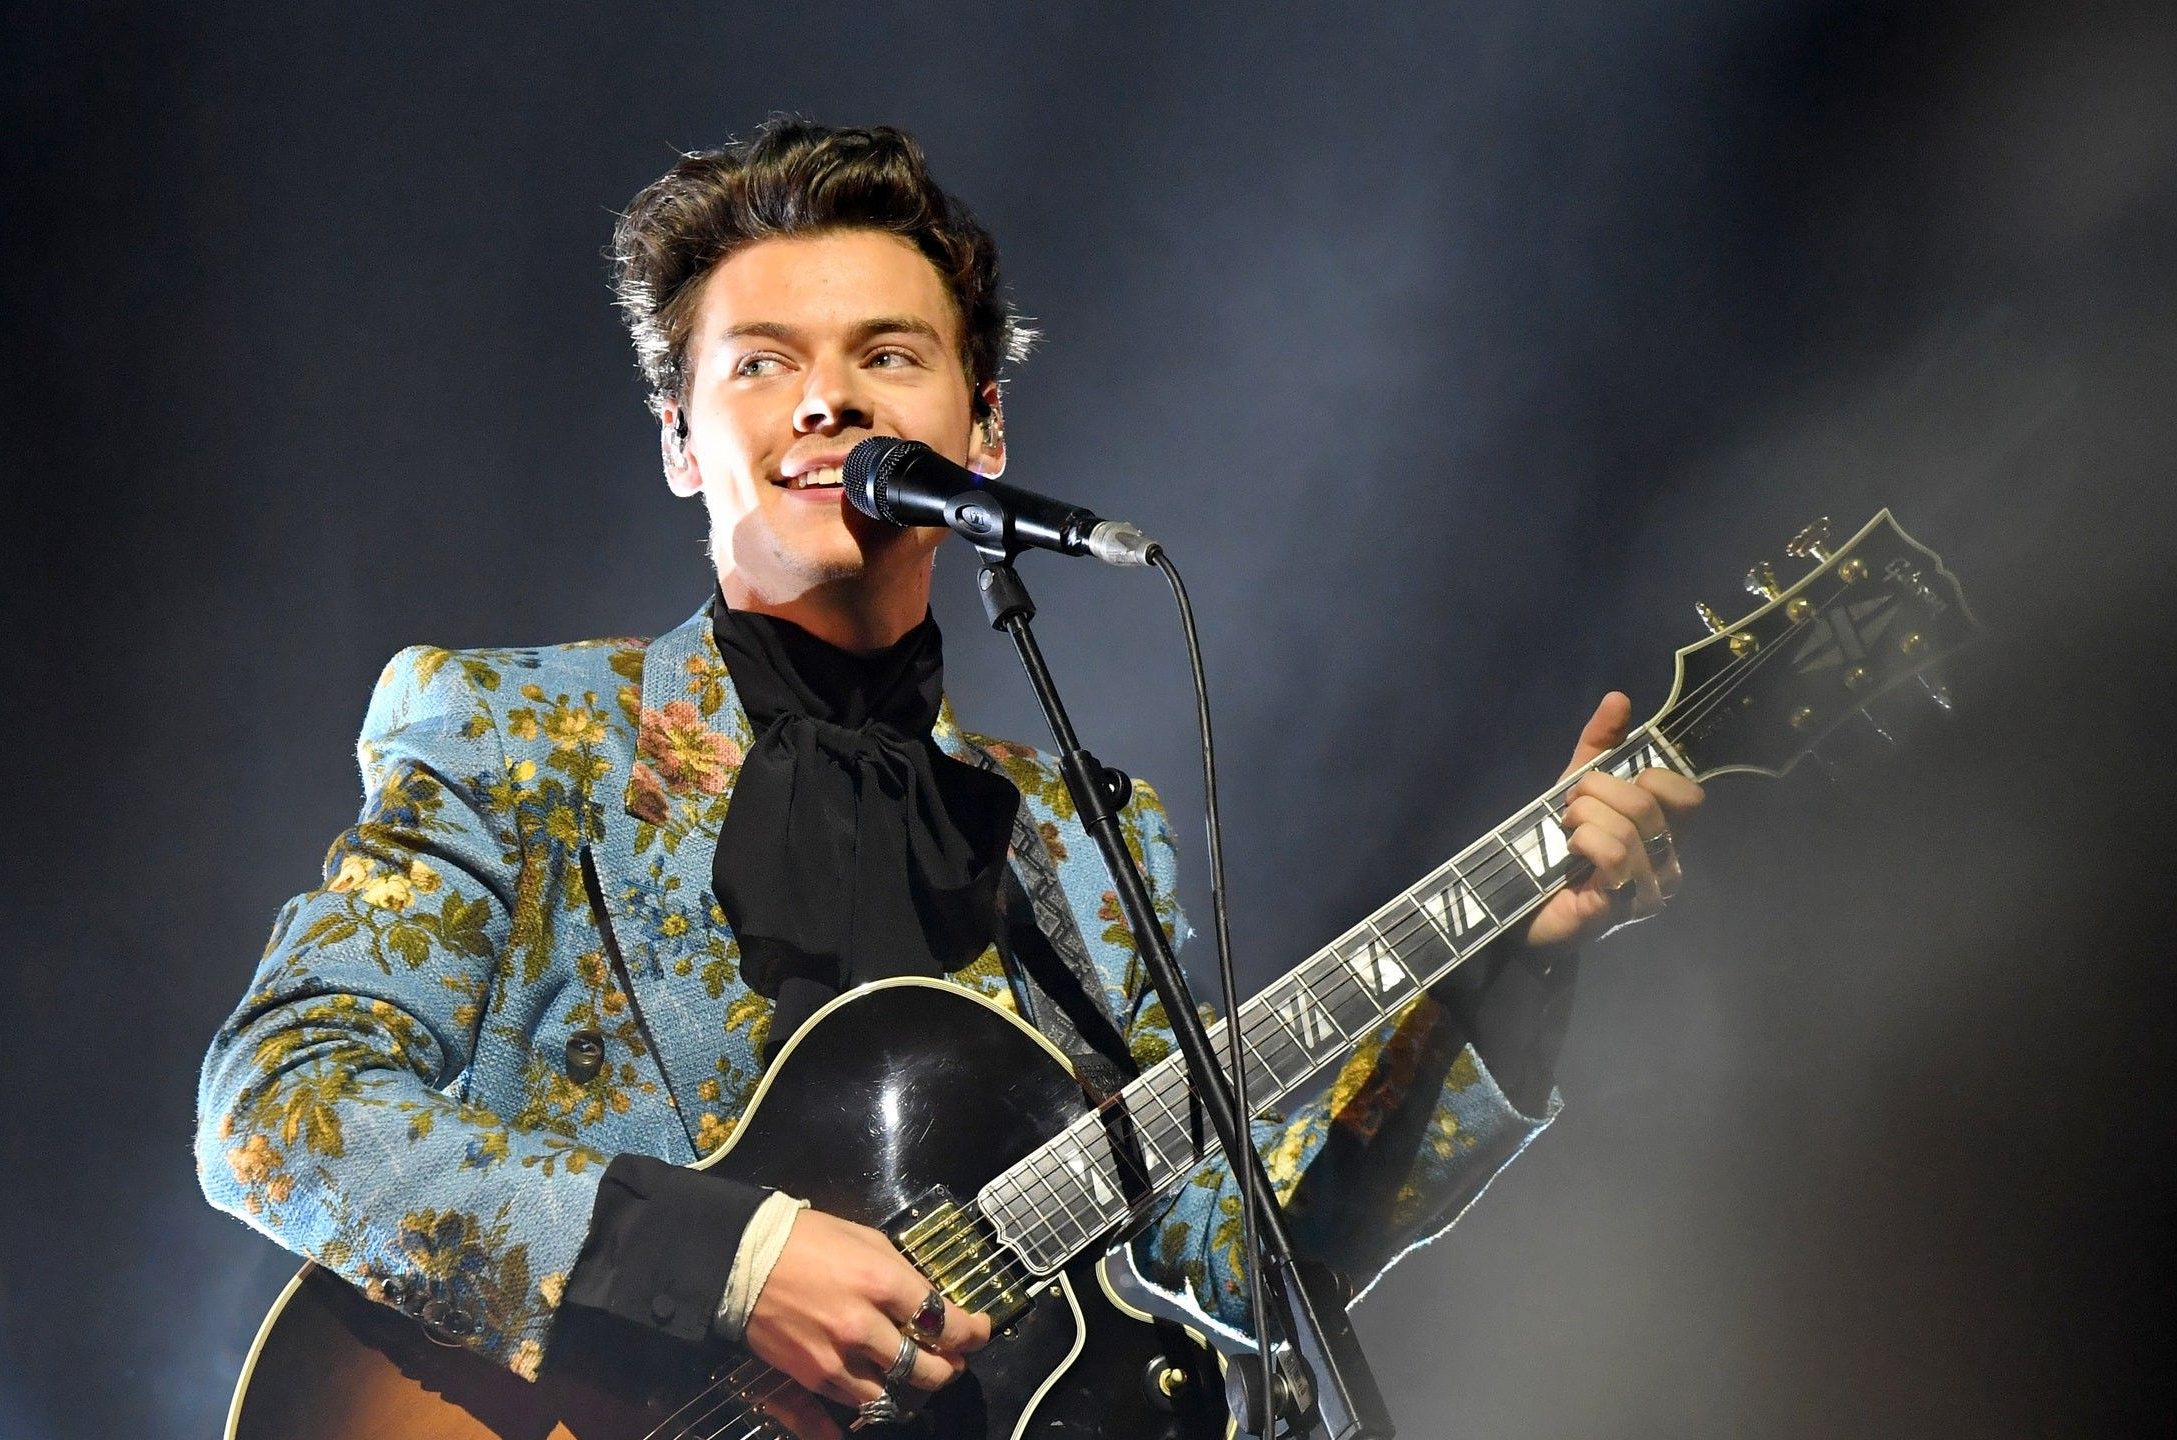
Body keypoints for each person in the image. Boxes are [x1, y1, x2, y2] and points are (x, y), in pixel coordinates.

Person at [194, 118, 1702, 1435]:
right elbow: (279, 1106)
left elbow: (1239, 1269)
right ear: (679, 442)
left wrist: (1515, 973)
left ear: (983, 432)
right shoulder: (517, 735)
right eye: (761, 363)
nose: (827, 402)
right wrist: (731, 1264)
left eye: (889, 356)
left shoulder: (1091, 842)